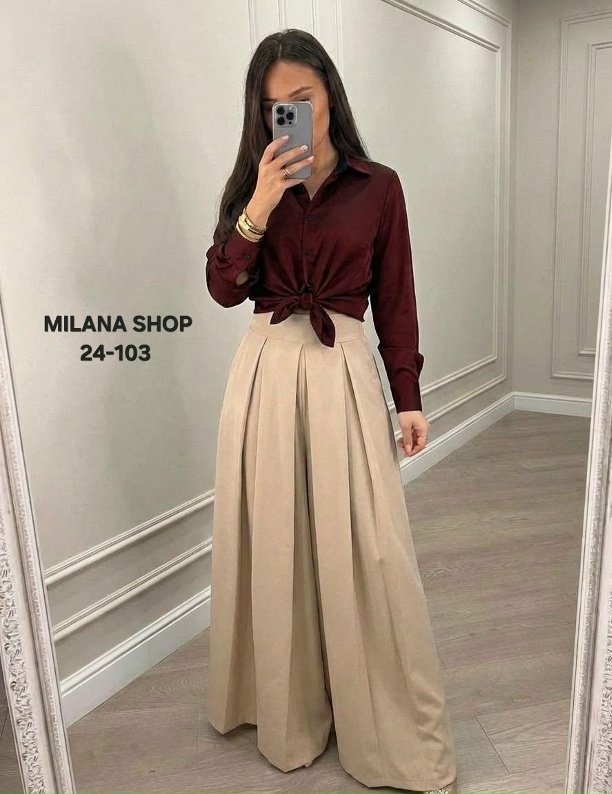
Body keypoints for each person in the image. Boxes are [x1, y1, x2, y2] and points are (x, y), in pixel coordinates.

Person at [204, 28, 458, 794]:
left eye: (302, 98)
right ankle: (290, 711)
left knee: (370, 545)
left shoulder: (379, 187)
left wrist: (407, 396)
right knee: (278, 540)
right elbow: (223, 288)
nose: (289, 115)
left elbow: (397, 298)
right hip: (266, 372)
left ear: (329, 96)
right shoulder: (251, 186)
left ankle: (382, 718)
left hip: (344, 368)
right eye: (273, 105)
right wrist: (259, 204)